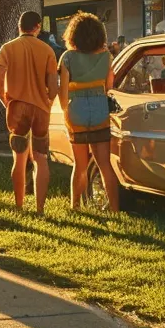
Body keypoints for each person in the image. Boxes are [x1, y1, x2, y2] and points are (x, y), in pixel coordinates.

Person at [0, 11, 60, 212]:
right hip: (40, 108)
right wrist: (49, 100)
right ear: (37, 26)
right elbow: (53, 85)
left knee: (19, 158)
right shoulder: (47, 50)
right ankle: (40, 208)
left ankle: (19, 204)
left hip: (17, 106)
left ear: (19, 27)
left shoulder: (8, 48)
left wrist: (4, 98)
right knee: (41, 158)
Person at [58, 13, 119, 212]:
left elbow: (63, 91)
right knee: (104, 164)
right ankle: (114, 209)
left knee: (80, 165)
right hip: (100, 108)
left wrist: (65, 108)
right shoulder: (106, 56)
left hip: (76, 110)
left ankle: (75, 206)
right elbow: (109, 85)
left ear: (73, 35)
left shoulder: (67, 57)